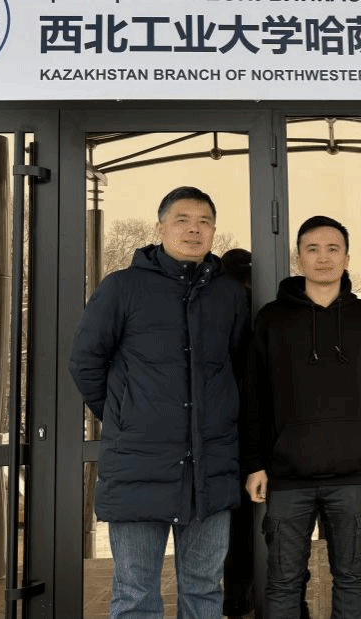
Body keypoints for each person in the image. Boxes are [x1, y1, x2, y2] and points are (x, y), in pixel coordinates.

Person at [69, 186, 249, 619]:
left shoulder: (229, 294)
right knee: (136, 594)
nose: (194, 229)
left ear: (214, 231)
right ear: (160, 228)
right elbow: (85, 362)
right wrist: (126, 416)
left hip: (209, 467)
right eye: (182, 220)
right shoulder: (122, 287)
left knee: (204, 590)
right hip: (138, 466)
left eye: (204, 222)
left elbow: (240, 369)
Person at [242, 215, 361, 619]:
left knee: (351, 576)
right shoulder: (272, 319)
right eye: (312, 249)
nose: (323, 257)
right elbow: (255, 397)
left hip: (352, 473)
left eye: (333, 249)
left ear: (347, 258)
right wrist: (255, 463)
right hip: (287, 476)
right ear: (298, 259)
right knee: (283, 580)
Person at [219, 248, 255, 619]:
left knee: (234, 525)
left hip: (225, 431)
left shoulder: (215, 307)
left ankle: (235, 599)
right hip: (254, 429)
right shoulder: (256, 307)